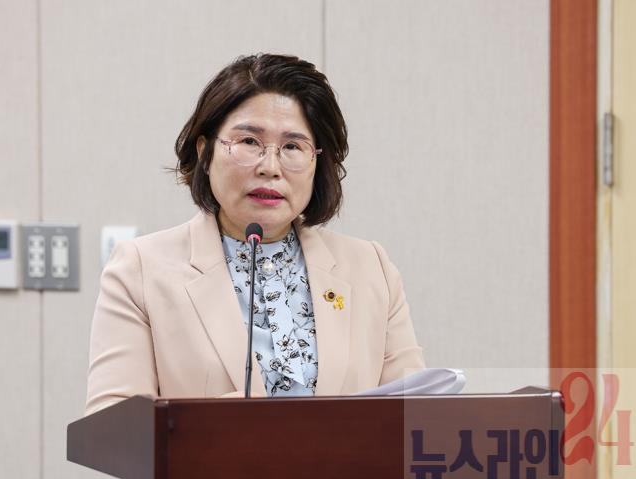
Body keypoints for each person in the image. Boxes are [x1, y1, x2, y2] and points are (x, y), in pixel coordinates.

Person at [85, 53, 424, 415]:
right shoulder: (140, 270)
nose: (270, 167)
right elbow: (112, 428)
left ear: (317, 162)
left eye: (292, 146)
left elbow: (417, 415)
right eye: (249, 141)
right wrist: (208, 426)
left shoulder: (371, 268)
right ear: (205, 152)